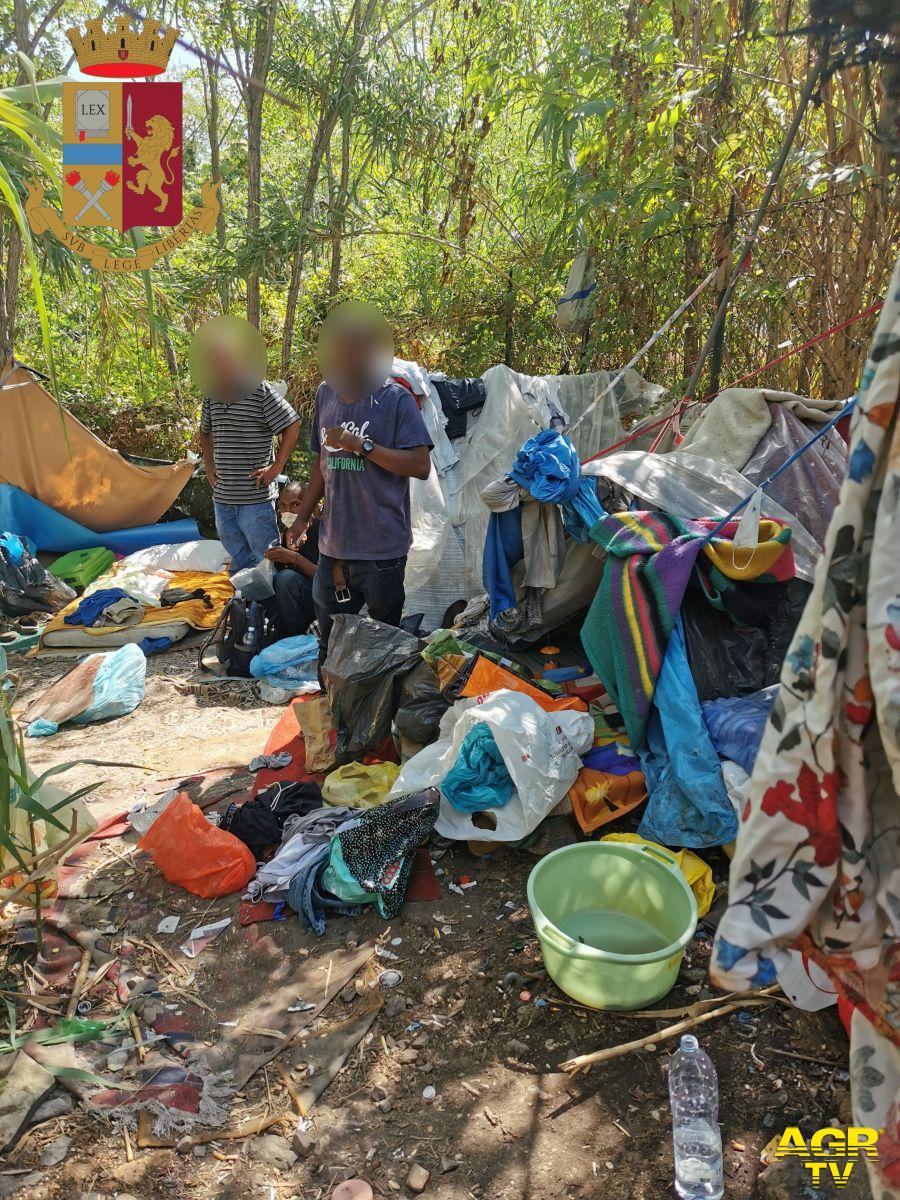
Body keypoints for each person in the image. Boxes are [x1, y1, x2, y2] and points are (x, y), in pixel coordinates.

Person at [291, 305, 432, 654]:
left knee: (383, 643)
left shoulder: (395, 400)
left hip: (381, 549)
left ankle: (378, 705)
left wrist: (362, 445)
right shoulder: (325, 395)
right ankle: (333, 703)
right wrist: (303, 518)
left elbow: (420, 465)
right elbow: (321, 464)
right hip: (333, 547)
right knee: (331, 643)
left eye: (355, 348)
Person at [197, 325, 301, 574]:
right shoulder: (211, 394)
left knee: (265, 559)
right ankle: (244, 606)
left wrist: (276, 467)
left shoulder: (259, 390)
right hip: (223, 497)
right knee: (238, 559)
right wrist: (209, 467)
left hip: (255, 498)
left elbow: (292, 423)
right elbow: (204, 432)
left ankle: (268, 611)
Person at [264, 481, 320, 637]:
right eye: (283, 506)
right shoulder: (287, 535)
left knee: (286, 579)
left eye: (295, 505)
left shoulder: (322, 530)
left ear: (310, 505)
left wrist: (295, 558)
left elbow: (326, 579)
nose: (287, 511)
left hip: (321, 601)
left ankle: (290, 641)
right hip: (295, 604)